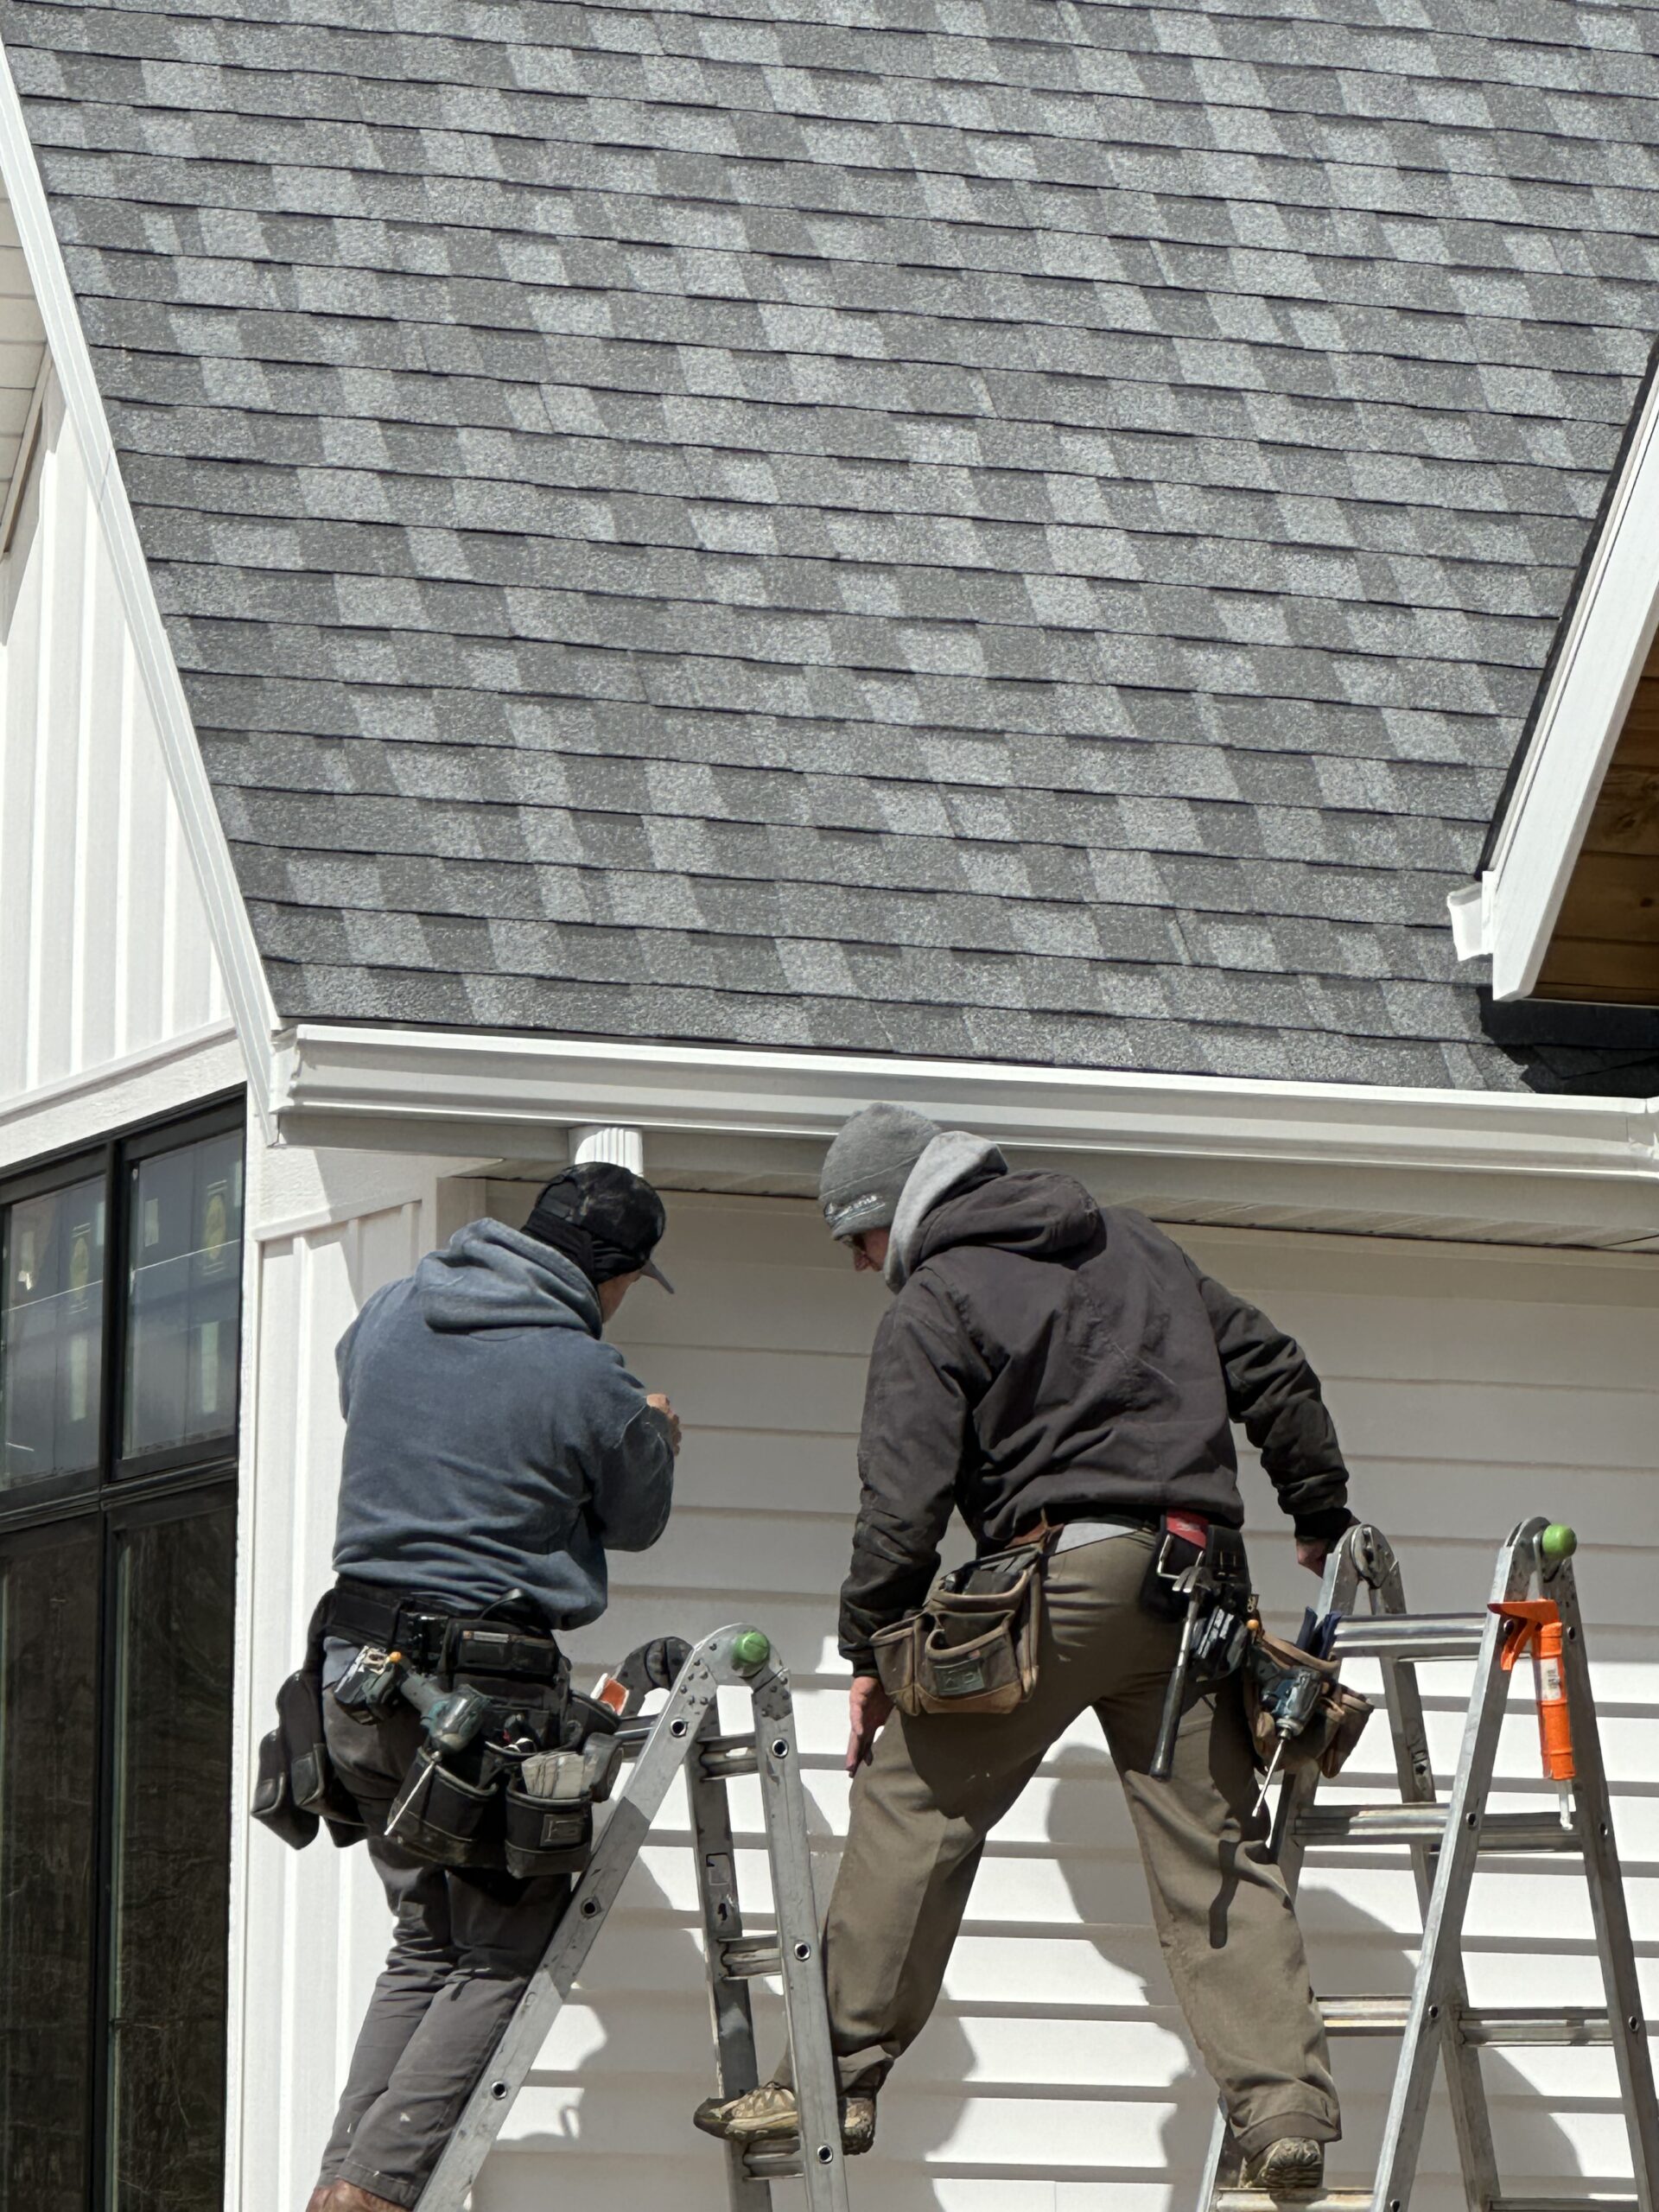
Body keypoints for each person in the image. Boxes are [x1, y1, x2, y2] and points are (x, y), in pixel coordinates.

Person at [698, 1103, 1356, 2194]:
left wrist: (870, 1655)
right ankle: (1284, 2108)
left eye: (857, 1237)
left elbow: (900, 1506)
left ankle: (831, 2079)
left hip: (1061, 1585)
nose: (862, 1263)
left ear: (897, 1207)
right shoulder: (1137, 1243)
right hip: (1196, 1591)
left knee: (913, 1803)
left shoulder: (936, 1297)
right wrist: (1319, 1506)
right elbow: (1273, 1367)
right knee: (1214, 1852)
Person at [306, 1163, 682, 2212]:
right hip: (478, 1696)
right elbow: (636, 1518)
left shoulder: (391, 1313)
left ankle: (341, 2185)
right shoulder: (588, 1373)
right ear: (610, 1272)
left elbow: (363, 1391)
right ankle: (374, 2193)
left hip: (353, 1675)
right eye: (628, 1283)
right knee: (507, 1943)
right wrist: (654, 1432)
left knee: (427, 1936)